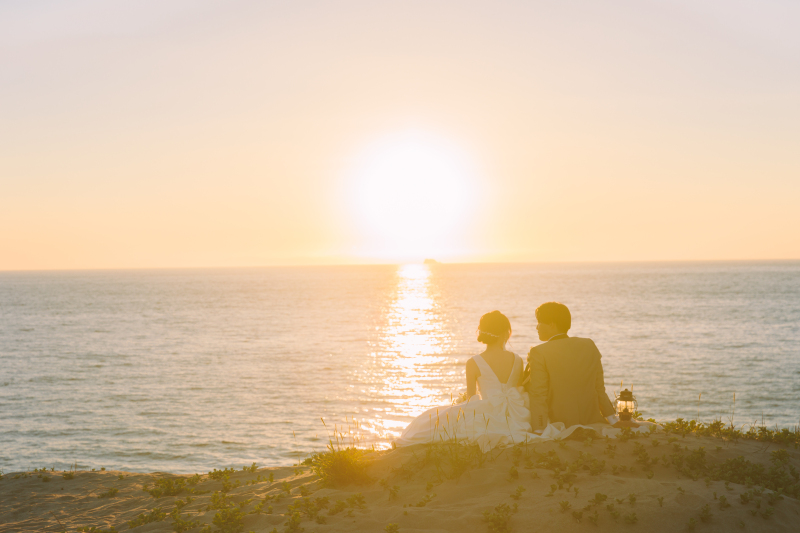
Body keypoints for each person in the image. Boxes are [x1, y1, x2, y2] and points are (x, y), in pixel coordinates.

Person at [394, 310, 533, 451]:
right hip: (517, 414)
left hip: (489, 412)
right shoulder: (517, 359)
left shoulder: (473, 362)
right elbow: (519, 389)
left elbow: (471, 397)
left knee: (433, 419)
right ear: (505, 332)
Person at [525, 302, 620, 432]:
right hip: (591, 420)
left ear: (551, 324)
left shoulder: (539, 352)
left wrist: (539, 429)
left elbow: (538, 394)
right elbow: (599, 389)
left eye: (539, 322)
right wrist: (613, 420)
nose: (536, 327)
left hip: (560, 424)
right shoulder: (589, 345)